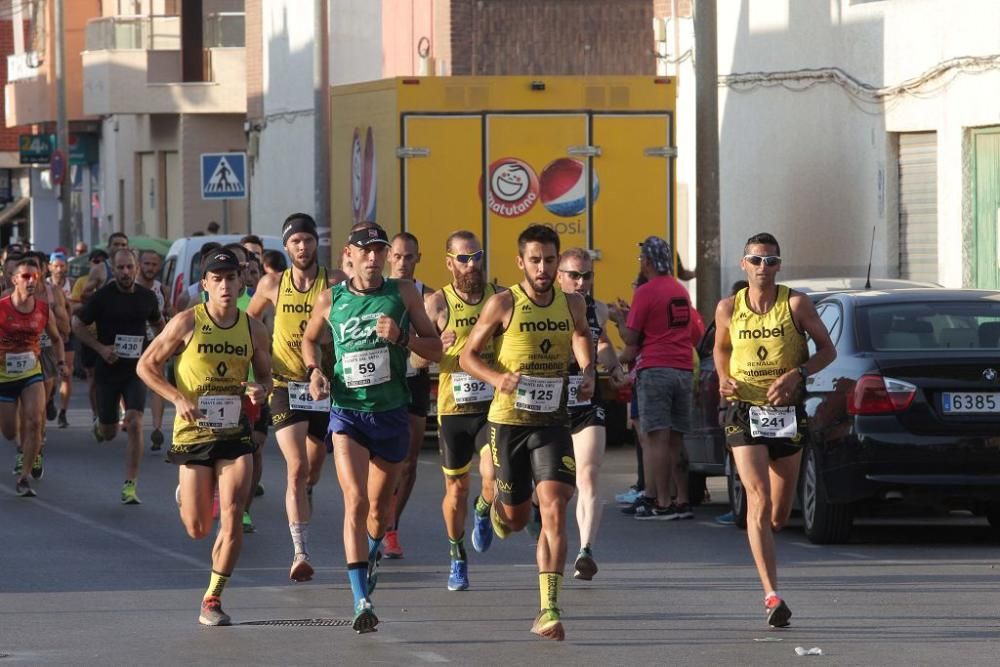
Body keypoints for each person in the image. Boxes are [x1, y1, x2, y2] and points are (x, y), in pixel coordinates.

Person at [302, 221, 441, 634]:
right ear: (350, 254)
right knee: (356, 500)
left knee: (379, 512)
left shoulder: (402, 294)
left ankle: (375, 548)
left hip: (392, 412)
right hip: (347, 412)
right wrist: (314, 371)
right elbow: (310, 340)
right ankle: (360, 598)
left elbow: (434, 347)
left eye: (379, 250)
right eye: (366, 250)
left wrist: (402, 338)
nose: (373, 257)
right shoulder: (331, 299)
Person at [460, 224, 594, 641]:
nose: (543, 268)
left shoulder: (572, 302)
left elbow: (581, 335)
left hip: (552, 422)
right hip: (508, 424)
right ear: (520, 262)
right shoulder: (503, 303)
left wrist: (588, 370)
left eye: (550, 260)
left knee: (554, 507)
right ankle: (491, 506)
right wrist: (497, 379)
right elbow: (468, 356)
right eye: (534, 260)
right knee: (517, 520)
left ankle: (549, 608)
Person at [137, 248, 271, 626]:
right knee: (197, 528)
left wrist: (261, 390)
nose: (226, 286)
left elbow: (265, 377)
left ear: (242, 282)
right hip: (194, 432)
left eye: (232, 278)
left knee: (232, 514)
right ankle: (190, 494)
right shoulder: (186, 322)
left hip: (234, 432)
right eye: (218, 280)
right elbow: (145, 366)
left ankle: (212, 598)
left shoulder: (253, 328)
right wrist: (177, 397)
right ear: (205, 285)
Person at [713, 232, 835, 628]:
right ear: (743, 264)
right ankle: (772, 595)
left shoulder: (795, 303)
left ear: (779, 265)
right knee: (758, 499)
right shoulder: (728, 307)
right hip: (744, 411)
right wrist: (722, 378)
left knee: (779, 515)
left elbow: (827, 350)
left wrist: (797, 374)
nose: (763, 267)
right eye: (756, 260)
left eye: (770, 261)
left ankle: (770, 560)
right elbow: (721, 348)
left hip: (786, 414)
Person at [246, 213, 339, 580]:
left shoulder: (334, 283)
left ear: (317, 243)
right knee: (296, 467)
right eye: (295, 241)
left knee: (313, 470)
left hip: (325, 386)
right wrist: (256, 369)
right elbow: (249, 323)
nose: (303, 247)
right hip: (286, 384)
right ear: (285, 247)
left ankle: (306, 491)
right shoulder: (273, 283)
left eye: (308, 240)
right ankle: (300, 551)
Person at [421, 230, 500, 591]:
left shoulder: (499, 298)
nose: (472, 264)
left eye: (477, 256)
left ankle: (484, 512)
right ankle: (456, 554)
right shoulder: (437, 304)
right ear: (449, 262)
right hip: (453, 409)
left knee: (492, 475)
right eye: (464, 258)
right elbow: (414, 359)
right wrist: (436, 346)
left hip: (492, 405)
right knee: (456, 490)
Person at [613, 236, 701, 520]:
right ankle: (682, 500)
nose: (640, 263)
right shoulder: (680, 290)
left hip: (656, 370)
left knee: (657, 439)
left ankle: (661, 501)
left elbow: (632, 339)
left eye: (641, 259)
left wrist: (617, 319)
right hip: (683, 370)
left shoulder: (646, 292)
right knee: (676, 438)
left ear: (648, 262)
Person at [555, 247, 626, 581]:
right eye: (574, 275)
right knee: (554, 488)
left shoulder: (598, 309)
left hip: (586, 403)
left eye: (587, 275)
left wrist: (612, 367)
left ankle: (586, 550)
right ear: (559, 276)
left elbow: (602, 343)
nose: (581, 281)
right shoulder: (546, 306)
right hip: (548, 406)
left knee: (589, 475)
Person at [73, 249, 164, 504]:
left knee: (134, 422)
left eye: (129, 268)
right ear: (113, 269)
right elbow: (76, 324)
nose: (125, 272)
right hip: (108, 371)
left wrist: (158, 351)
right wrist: (101, 349)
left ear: (135, 269)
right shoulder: (102, 297)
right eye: (121, 268)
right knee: (110, 432)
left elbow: (159, 326)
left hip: (136, 370)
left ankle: (130, 485)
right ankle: (101, 427)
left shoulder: (147, 297)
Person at [382, 231, 435, 559]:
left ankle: (392, 527)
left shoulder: (428, 297)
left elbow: (435, 343)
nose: (403, 263)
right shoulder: (375, 291)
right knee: (383, 460)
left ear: (418, 259)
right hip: (379, 383)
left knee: (408, 461)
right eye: (398, 256)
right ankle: (375, 515)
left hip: (414, 381)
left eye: (409, 257)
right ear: (389, 257)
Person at [2, 257, 66, 497]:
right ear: (14, 279)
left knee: (35, 421)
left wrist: (61, 363)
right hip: (4, 376)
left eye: (35, 277)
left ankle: (24, 476)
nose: (31, 281)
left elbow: (57, 338)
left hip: (31, 372)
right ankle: (23, 450)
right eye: (26, 277)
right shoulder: (2, 308)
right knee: (9, 431)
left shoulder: (42, 309)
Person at [135, 249, 172, 451]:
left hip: (156, 342)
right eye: (147, 264)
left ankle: (156, 428)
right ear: (139, 265)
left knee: (157, 384)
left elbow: (171, 311)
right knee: (135, 383)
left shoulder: (162, 289)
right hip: (134, 342)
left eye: (154, 264)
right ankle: (132, 418)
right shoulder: (131, 287)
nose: (150, 268)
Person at [48, 252, 75, 428]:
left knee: (67, 373)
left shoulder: (71, 284)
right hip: (48, 335)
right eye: (56, 266)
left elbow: (75, 306)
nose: (59, 269)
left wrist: (68, 323)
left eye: (62, 266)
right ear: (49, 267)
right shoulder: (44, 286)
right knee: (51, 375)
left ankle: (63, 413)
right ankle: (49, 398)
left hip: (66, 333)